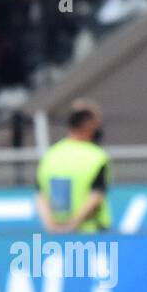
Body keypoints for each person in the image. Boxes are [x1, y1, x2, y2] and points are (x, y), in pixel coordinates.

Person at [35, 99, 110, 234]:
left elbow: (41, 195)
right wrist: (72, 225)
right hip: (92, 232)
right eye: (97, 124)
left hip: (56, 233)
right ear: (89, 126)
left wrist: (51, 226)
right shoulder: (96, 156)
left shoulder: (51, 155)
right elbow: (96, 195)